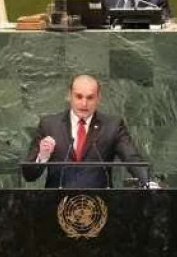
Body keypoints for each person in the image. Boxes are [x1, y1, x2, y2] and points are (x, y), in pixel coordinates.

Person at [22, 74, 150, 189]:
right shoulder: (49, 125)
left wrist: (147, 183)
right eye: (79, 96)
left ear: (98, 98)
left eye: (90, 98)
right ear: (69, 95)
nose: (84, 103)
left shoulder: (112, 126)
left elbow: (132, 159)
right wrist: (42, 157)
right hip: (58, 203)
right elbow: (29, 175)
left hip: (99, 204)